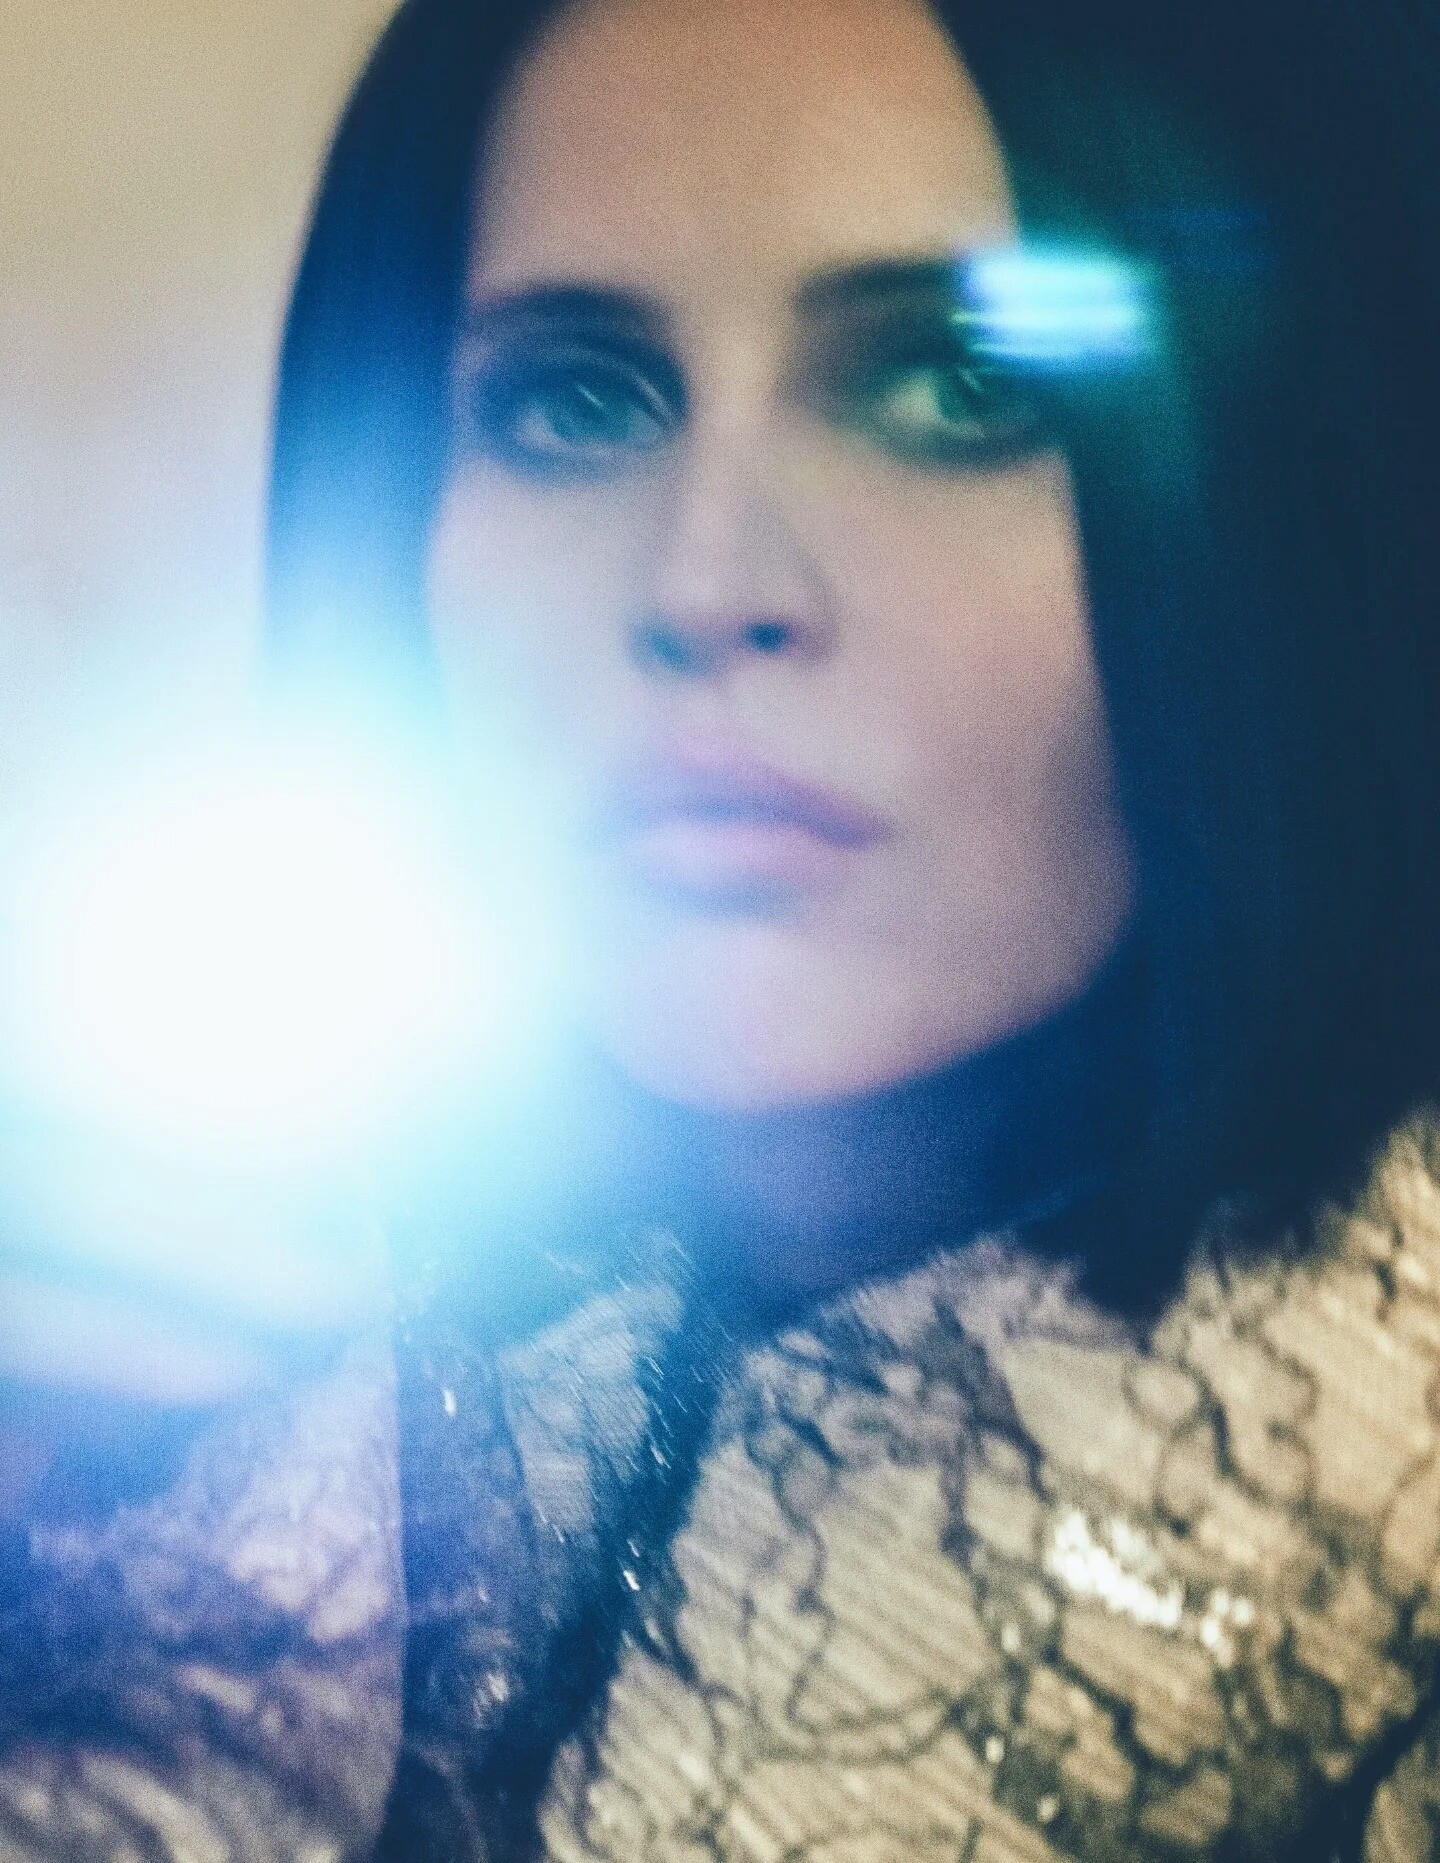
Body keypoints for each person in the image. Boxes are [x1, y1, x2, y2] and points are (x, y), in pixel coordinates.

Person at [5, 0, 1440, 1857]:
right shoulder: (190, 1337)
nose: (707, 581)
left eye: (961, 384)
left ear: (1293, 498)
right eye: (576, 402)